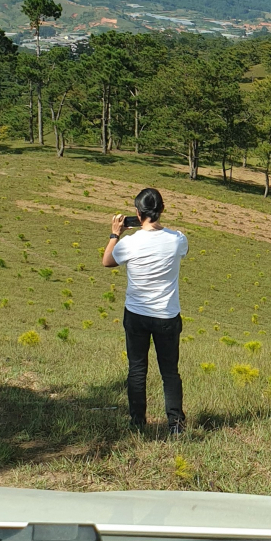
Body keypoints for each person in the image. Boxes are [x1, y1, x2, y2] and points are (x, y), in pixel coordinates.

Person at [102, 187, 189, 436]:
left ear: (137, 213)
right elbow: (182, 250)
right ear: (161, 210)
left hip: (137, 314)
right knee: (170, 371)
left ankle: (138, 423)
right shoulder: (178, 239)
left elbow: (107, 261)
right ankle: (175, 424)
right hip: (167, 315)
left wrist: (114, 234)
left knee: (137, 369)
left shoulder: (129, 243)